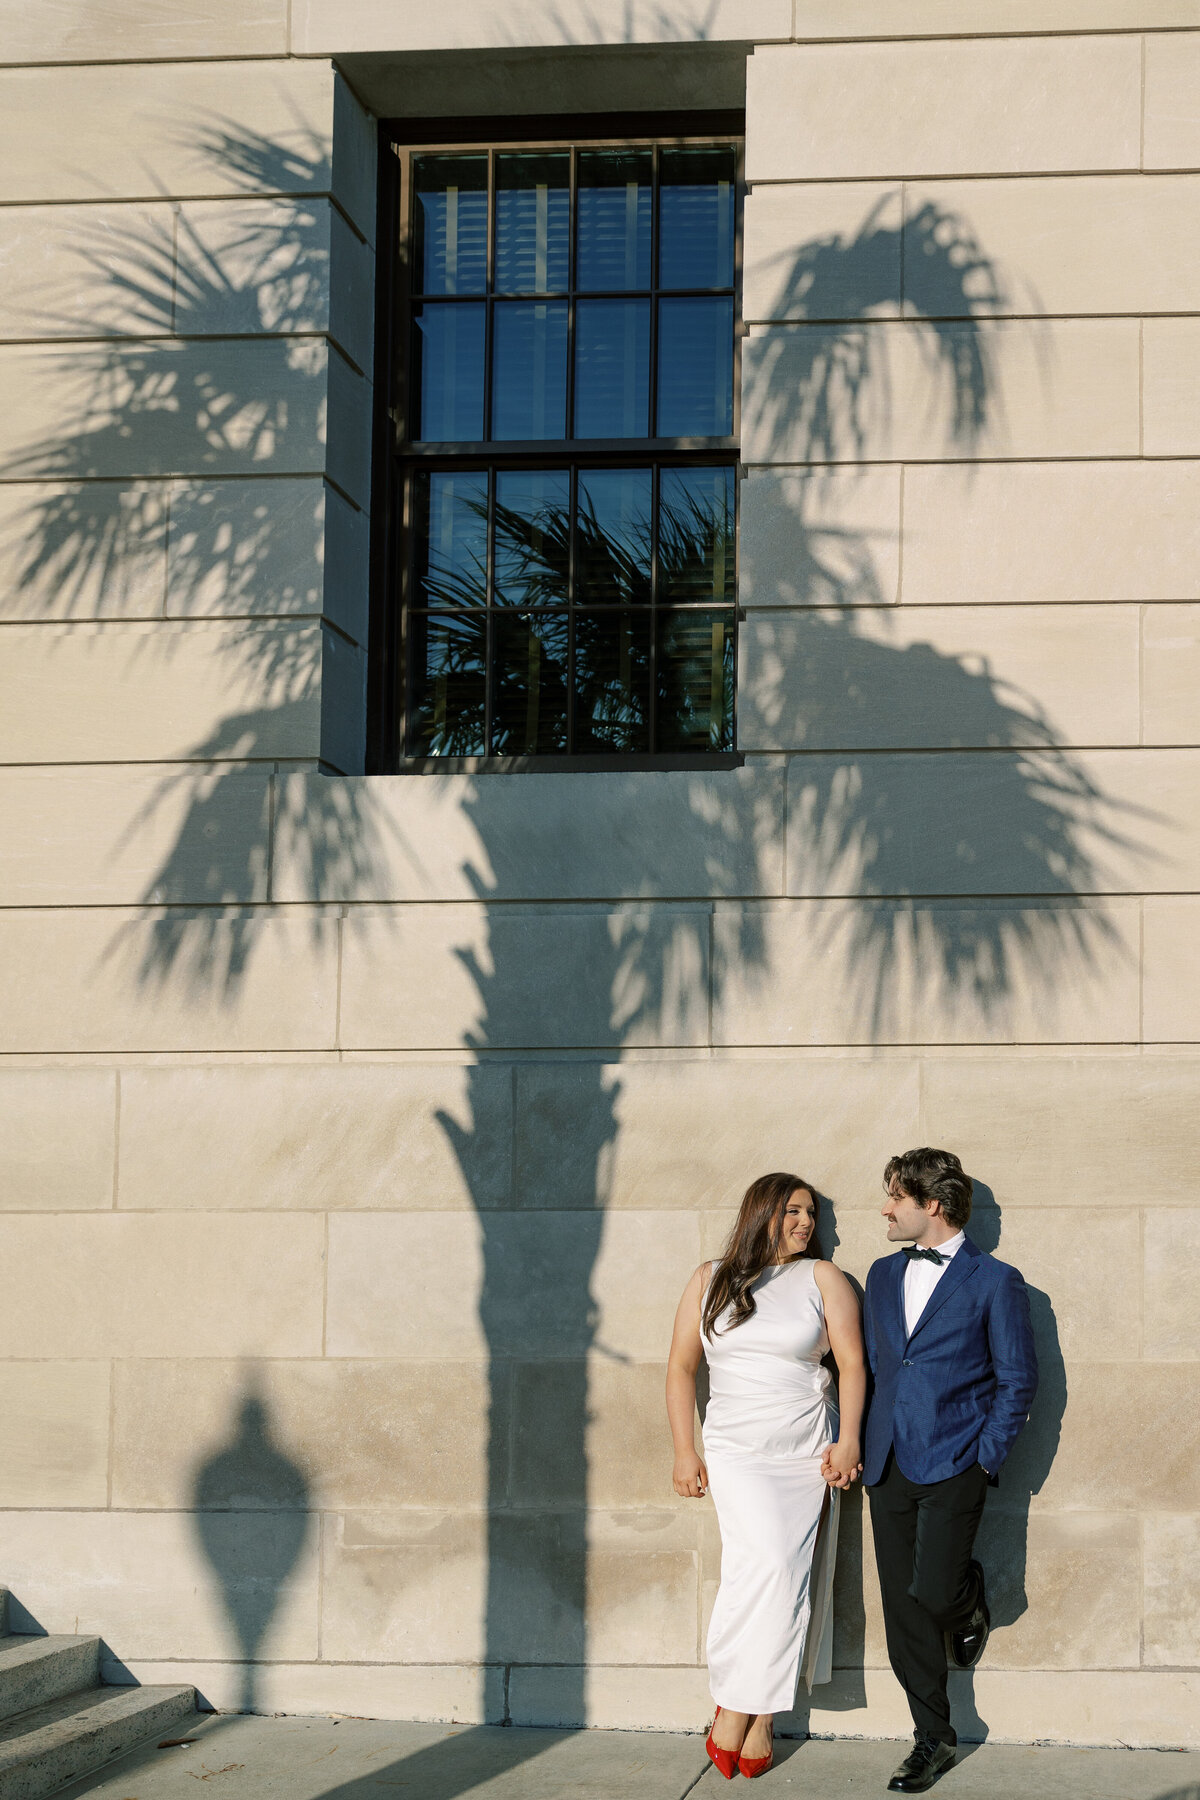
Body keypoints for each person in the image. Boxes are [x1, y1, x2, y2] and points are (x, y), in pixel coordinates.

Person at [849, 1148, 1037, 1794]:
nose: (885, 1209)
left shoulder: (996, 1281)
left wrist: (985, 1459)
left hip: (956, 1458)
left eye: (895, 1197)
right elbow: (871, 1368)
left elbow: (1017, 1381)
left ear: (933, 1204)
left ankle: (968, 1600)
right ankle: (934, 1738)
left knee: (933, 1592)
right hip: (886, 1461)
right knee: (903, 1611)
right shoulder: (878, 1274)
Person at [667, 1172, 866, 1780]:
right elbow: (679, 1368)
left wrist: (849, 1438)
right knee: (759, 1569)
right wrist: (684, 1450)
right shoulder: (710, 1278)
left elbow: (853, 1365)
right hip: (735, 1449)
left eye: (811, 1213)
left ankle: (745, 1712)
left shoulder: (824, 1278)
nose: (807, 1223)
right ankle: (744, 1707)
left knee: (785, 1574)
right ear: (762, 1214)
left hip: (803, 1447)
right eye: (793, 1212)